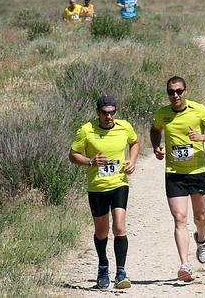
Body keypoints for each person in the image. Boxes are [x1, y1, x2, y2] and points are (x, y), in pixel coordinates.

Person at [150, 76, 205, 282]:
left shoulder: (199, 110)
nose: (175, 95)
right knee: (179, 218)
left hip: (198, 172)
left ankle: (201, 240)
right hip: (174, 174)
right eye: (171, 92)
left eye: (179, 91)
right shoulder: (163, 114)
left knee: (199, 217)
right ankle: (184, 264)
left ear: (186, 91)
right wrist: (156, 147)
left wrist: (202, 137)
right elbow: (155, 130)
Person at [69, 95, 140, 290]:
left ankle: (121, 272)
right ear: (98, 112)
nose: (109, 117)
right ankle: (102, 267)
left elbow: (135, 142)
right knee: (102, 231)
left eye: (112, 112)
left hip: (119, 184)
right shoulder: (87, 130)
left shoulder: (124, 127)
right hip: (97, 187)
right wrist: (91, 162)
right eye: (104, 113)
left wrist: (132, 161)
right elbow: (73, 155)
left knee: (119, 226)